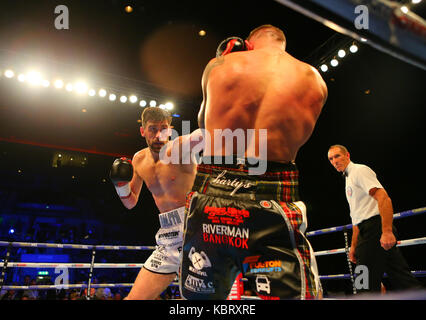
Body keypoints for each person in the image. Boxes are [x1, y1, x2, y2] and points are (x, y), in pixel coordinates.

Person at [180, 25, 328, 300]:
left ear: (248, 43)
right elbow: (300, 138)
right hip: (272, 201)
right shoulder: (314, 80)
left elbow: (203, 124)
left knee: (201, 302)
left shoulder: (219, 64)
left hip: (212, 194)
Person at [110, 107, 200, 300]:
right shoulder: (139, 159)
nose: (159, 135)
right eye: (152, 129)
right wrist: (120, 185)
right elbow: (130, 203)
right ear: (142, 131)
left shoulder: (181, 147)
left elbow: (204, 135)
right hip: (168, 237)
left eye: (164, 128)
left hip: (197, 231)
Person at [327, 144, 422, 293]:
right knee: (401, 277)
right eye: (331, 159)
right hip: (368, 230)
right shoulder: (348, 178)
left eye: (337, 156)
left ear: (347, 155)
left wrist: (387, 231)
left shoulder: (359, 171)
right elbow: (357, 217)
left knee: (362, 279)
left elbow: (384, 198)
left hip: (375, 229)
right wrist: (353, 246)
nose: (334, 161)